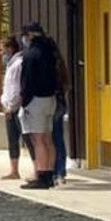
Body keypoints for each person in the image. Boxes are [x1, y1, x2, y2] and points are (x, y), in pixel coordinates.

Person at [18, 22, 60, 190]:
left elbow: (27, 81)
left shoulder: (31, 54)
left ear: (28, 35)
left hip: (35, 99)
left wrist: (24, 102)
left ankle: (41, 174)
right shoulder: (50, 51)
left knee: (38, 139)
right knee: (48, 138)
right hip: (50, 98)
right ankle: (50, 174)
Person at [0, 35, 32, 181]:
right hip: (8, 107)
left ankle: (37, 169)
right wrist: (4, 103)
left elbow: (17, 88)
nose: (1, 54)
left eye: (3, 50)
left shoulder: (18, 64)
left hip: (17, 107)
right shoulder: (10, 64)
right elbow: (7, 87)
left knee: (27, 138)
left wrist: (11, 106)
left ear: (10, 49)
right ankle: (14, 170)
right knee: (12, 140)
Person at [50, 36, 70, 185]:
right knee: (58, 138)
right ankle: (61, 171)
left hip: (51, 104)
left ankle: (54, 170)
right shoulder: (61, 66)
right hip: (61, 104)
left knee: (49, 139)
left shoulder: (49, 65)